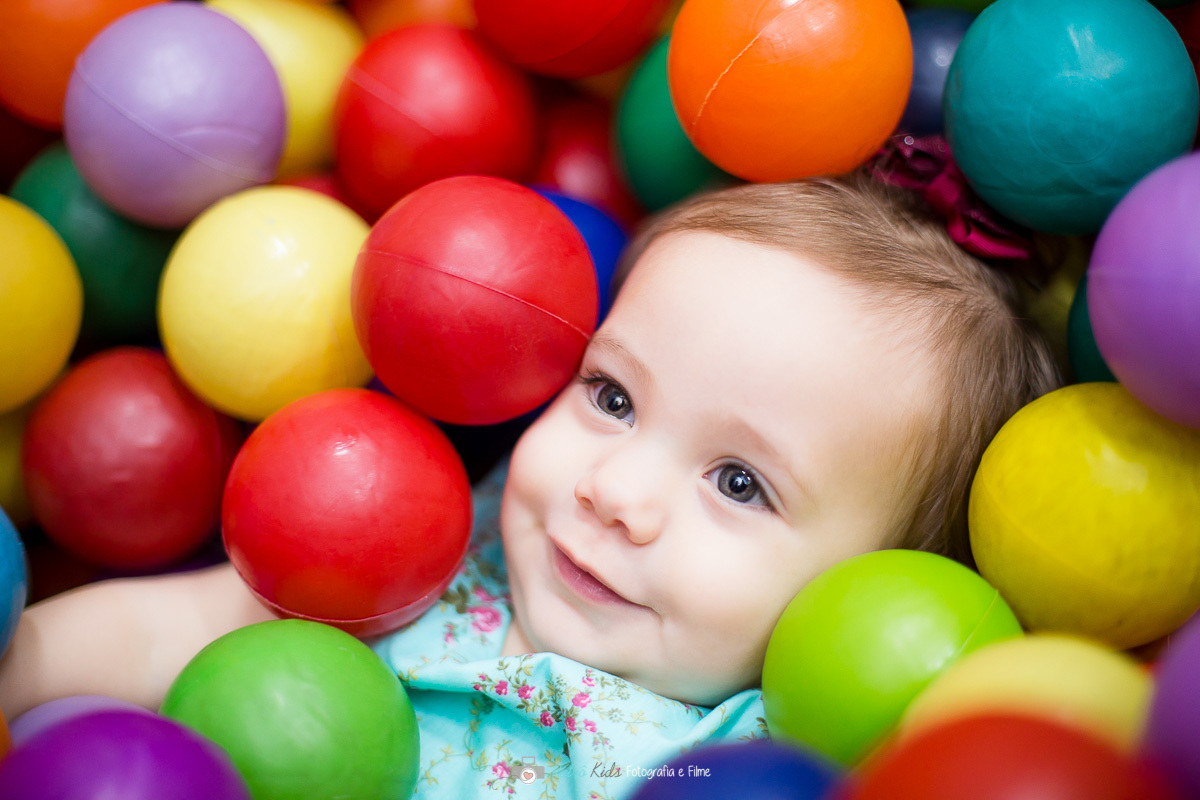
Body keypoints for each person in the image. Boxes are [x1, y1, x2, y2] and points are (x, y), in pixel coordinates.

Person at [0, 165, 1060, 799]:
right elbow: (169, 630)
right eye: (611, 396)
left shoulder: (742, 761)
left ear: (876, 592)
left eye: (738, 482)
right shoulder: (416, 565)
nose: (615, 490)